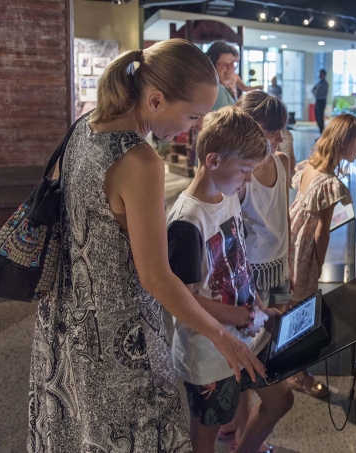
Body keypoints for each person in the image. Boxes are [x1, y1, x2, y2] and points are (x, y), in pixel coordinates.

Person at [27, 39, 265, 453]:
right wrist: (223, 338)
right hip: (120, 333)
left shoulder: (83, 128)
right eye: (192, 115)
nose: (193, 128)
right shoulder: (141, 161)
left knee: (79, 431)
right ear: (155, 100)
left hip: (67, 318)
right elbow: (156, 276)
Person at [166, 106, 293, 453]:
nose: (248, 179)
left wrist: (259, 306)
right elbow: (185, 299)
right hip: (207, 352)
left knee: (281, 399)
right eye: (244, 170)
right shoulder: (186, 221)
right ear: (213, 160)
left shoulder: (227, 196)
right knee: (206, 431)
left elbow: (238, 261)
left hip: (244, 332)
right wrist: (245, 316)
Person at [213, 92, 291, 450]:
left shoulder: (282, 161)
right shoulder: (241, 177)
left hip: (277, 270)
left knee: (268, 350)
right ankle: (242, 437)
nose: (274, 140)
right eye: (268, 132)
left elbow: (283, 217)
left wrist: (288, 264)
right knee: (247, 364)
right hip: (251, 276)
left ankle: (238, 433)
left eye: (277, 133)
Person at [287, 113, 356, 397]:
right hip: (305, 247)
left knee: (291, 306)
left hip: (291, 237)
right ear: (344, 145)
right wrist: (318, 264)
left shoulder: (311, 167)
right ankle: (295, 373)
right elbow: (322, 232)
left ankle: (291, 368)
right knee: (301, 311)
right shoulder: (329, 182)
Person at [206, 41, 238, 110]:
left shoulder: (226, 87)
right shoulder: (218, 89)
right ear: (213, 66)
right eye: (224, 65)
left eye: (232, 63)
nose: (230, 68)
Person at [312, 69, 329, 134]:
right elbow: (313, 90)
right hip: (317, 101)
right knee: (317, 117)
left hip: (321, 102)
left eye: (320, 74)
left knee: (320, 118)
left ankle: (322, 133)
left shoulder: (325, 84)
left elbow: (319, 93)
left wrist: (316, 92)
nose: (319, 75)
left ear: (324, 75)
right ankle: (321, 132)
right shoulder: (319, 83)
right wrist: (316, 92)